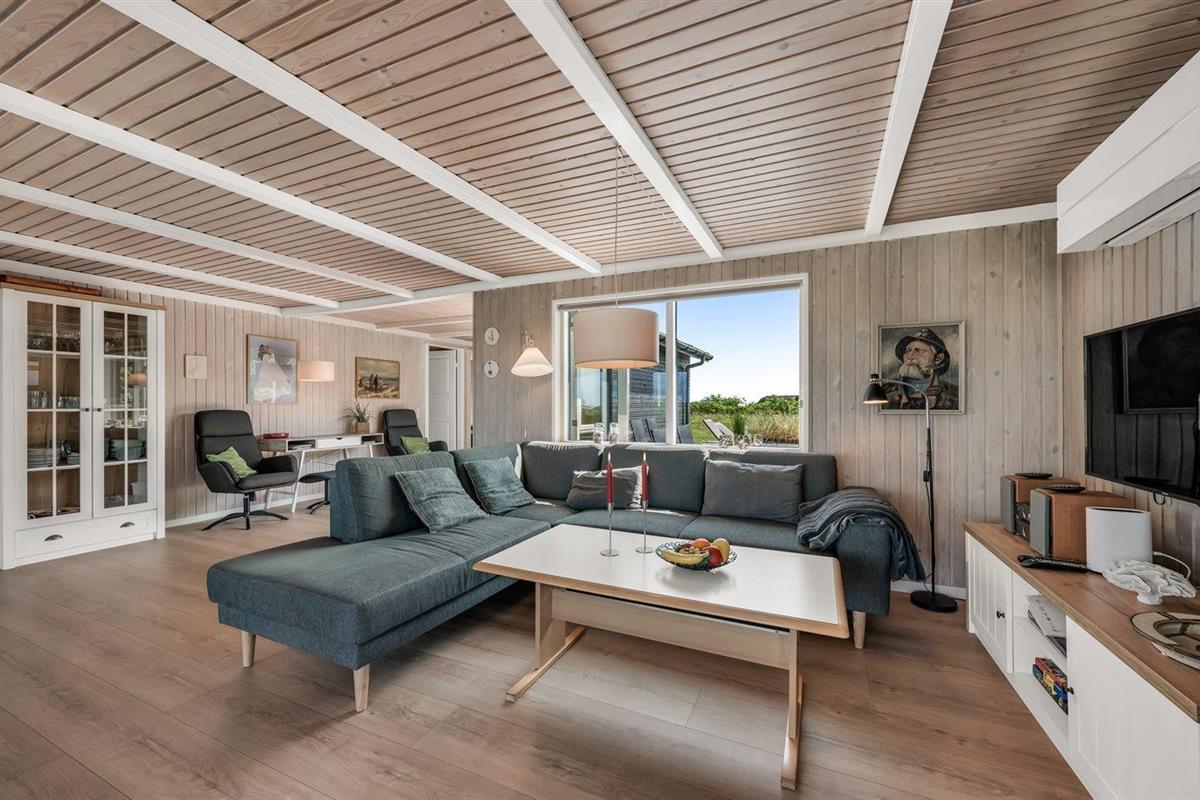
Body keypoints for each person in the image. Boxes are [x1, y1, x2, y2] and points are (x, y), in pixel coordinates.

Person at [886, 327, 959, 410]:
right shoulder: (886, 392)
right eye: (907, 351)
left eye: (918, 350)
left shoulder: (954, 395)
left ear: (938, 358)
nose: (910, 356)